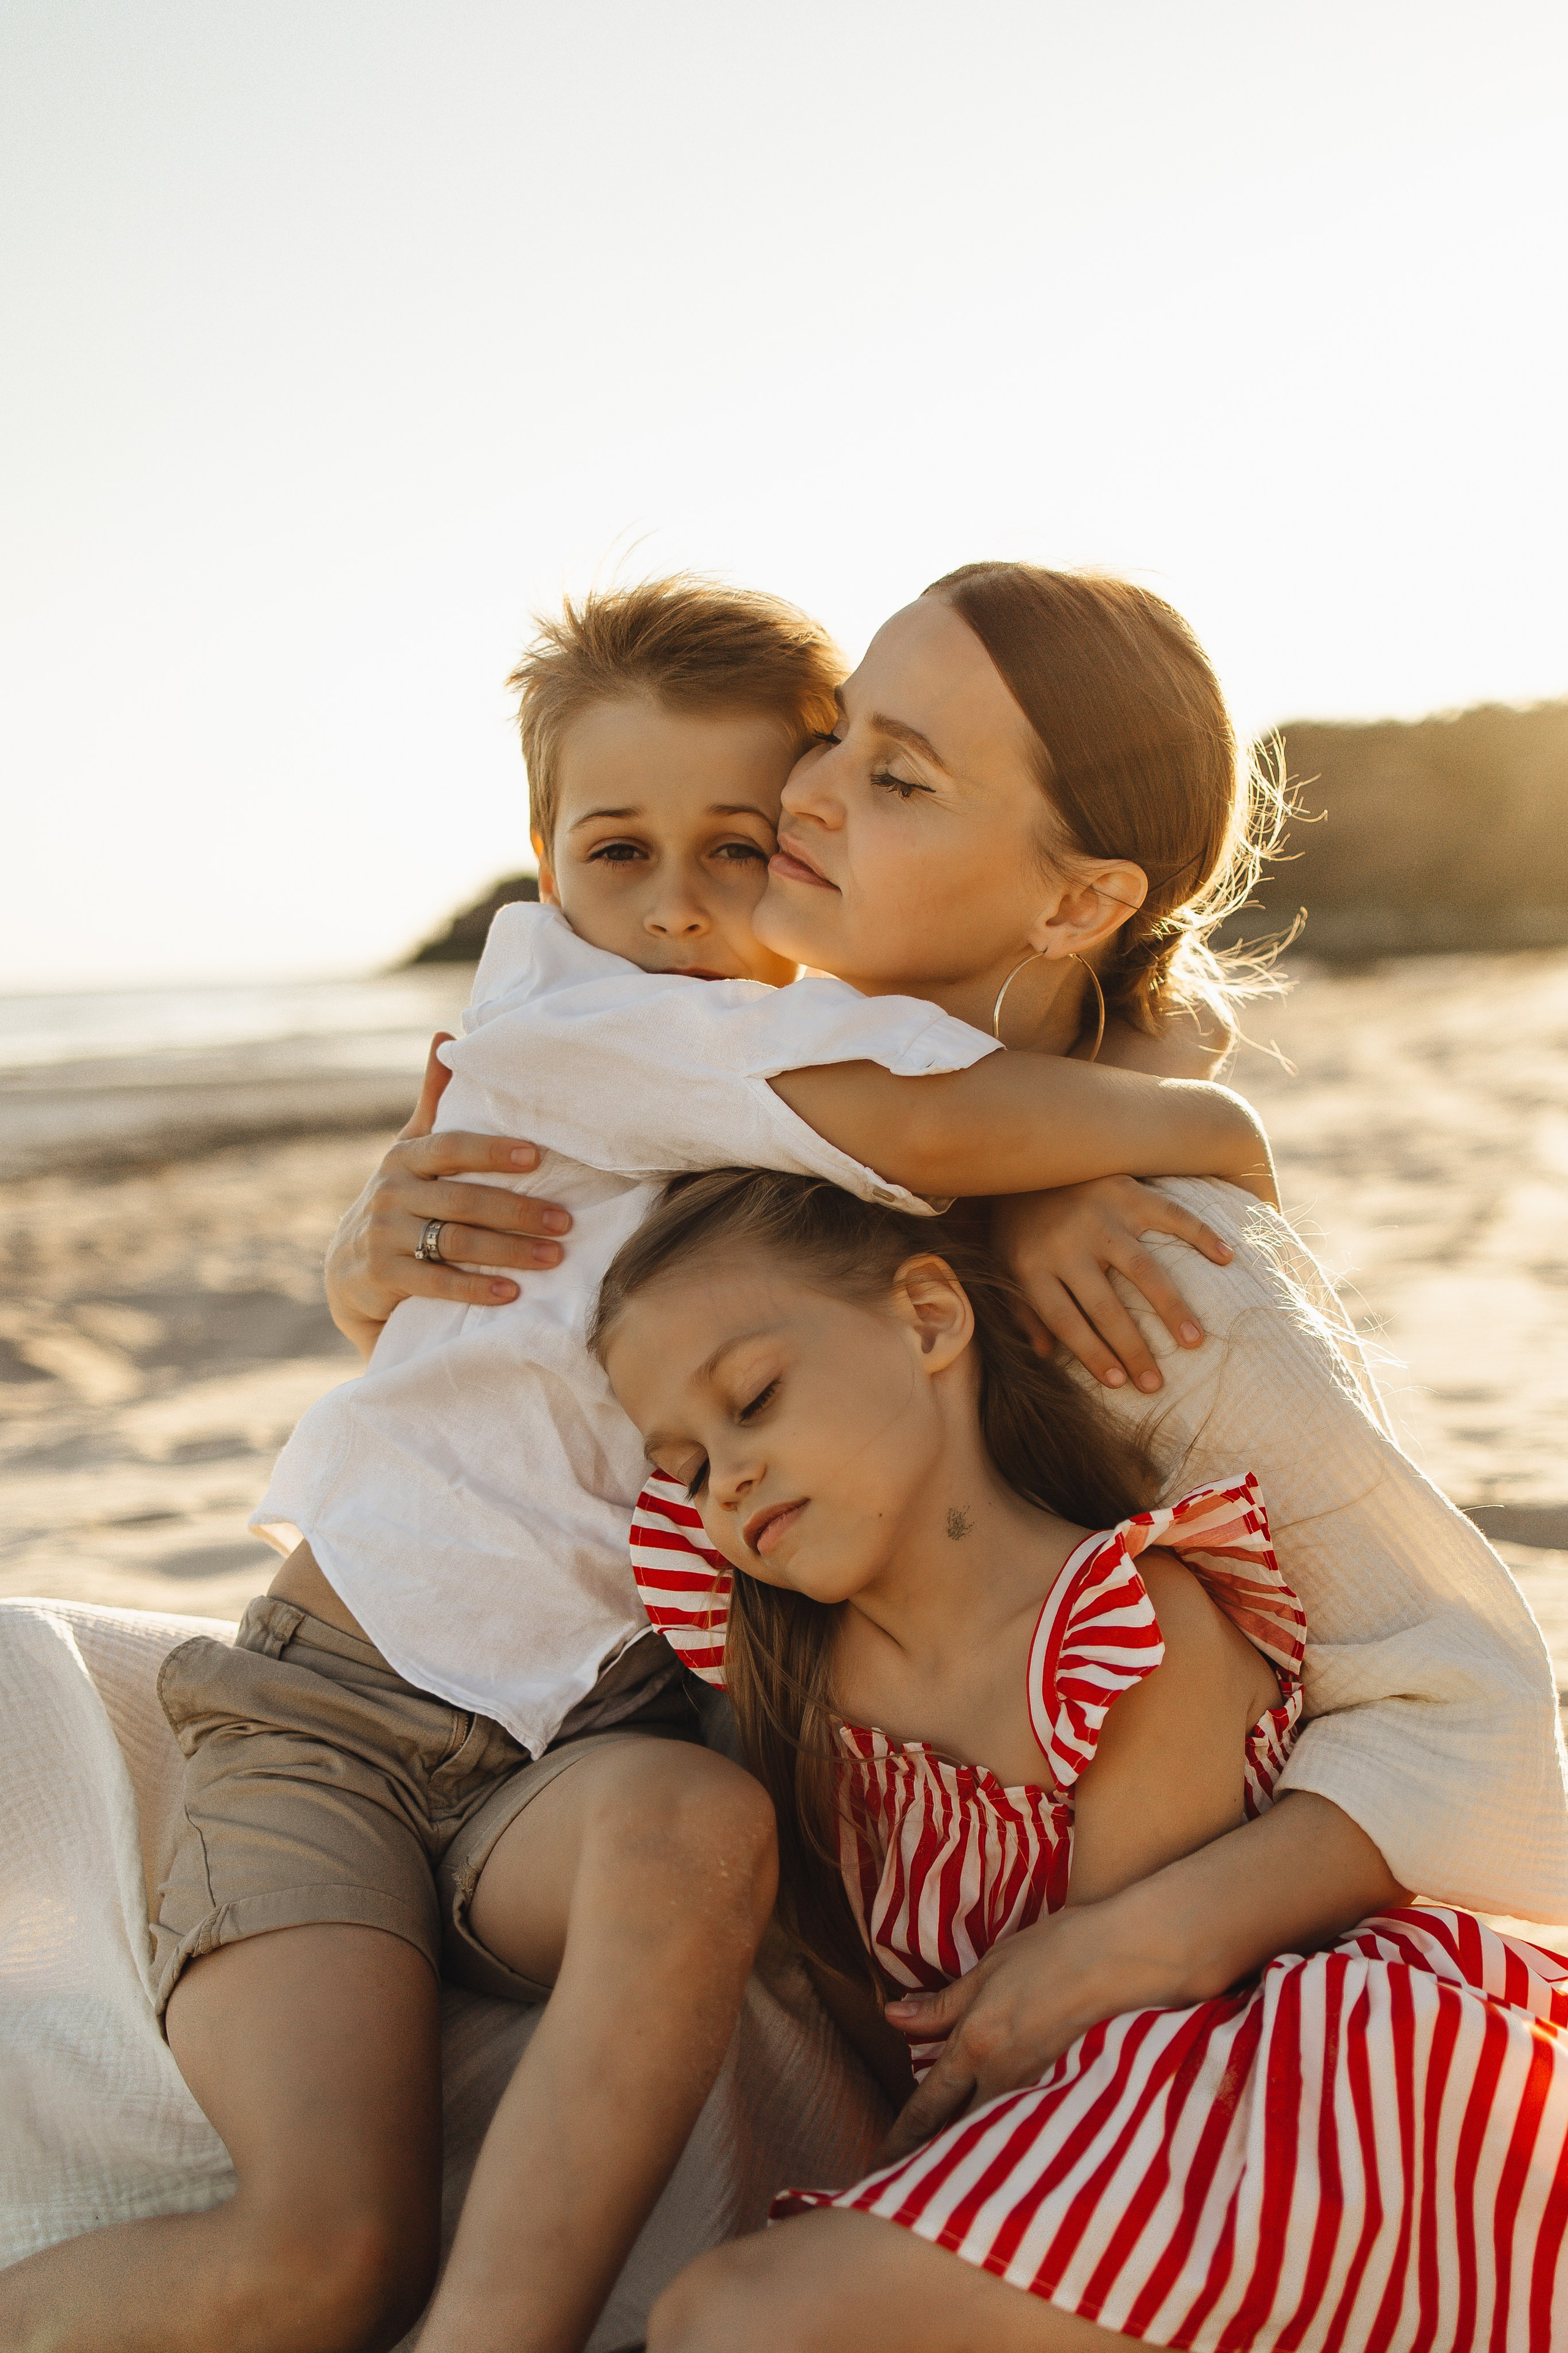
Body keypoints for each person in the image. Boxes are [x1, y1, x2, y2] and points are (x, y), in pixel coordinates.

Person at [0, 577, 1270, 2353]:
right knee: (312, 2261)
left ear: (813, 839)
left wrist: (1071, 1141)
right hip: (331, 1720)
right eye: (615, 854)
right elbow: (948, 1114)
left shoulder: (790, 1057)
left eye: (737, 850)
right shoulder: (593, 1030)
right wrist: (1197, 1130)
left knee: (697, 1823)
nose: (674, 909)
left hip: (580, 1754)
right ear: (540, 861)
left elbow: (1018, 1060)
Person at [592, 1166, 1568, 2353]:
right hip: (1053, 2149)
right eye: (685, 1467)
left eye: (753, 1396)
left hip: (1256, 2125)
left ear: (929, 1319)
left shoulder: (1122, 1628)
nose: (726, 1479)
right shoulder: (803, 1694)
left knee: (732, 2316)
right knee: (723, 2312)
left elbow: (1121, 2051)